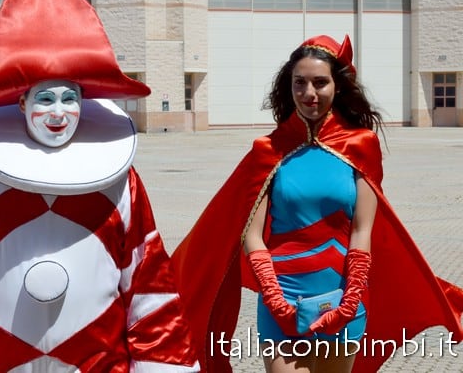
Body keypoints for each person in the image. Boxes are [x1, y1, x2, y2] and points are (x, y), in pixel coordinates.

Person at [0, 0, 199, 372]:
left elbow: (147, 285)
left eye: (69, 98)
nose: (58, 113)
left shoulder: (123, 182)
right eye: (45, 98)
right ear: (20, 103)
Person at [171, 34, 463, 372]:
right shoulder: (268, 151)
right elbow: (251, 235)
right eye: (300, 83)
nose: (309, 93)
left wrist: (351, 297)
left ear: (337, 87)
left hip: (344, 302)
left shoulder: (361, 145)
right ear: (289, 86)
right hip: (280, 303)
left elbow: (362, 230)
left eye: (320, 82)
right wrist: (274, 297)